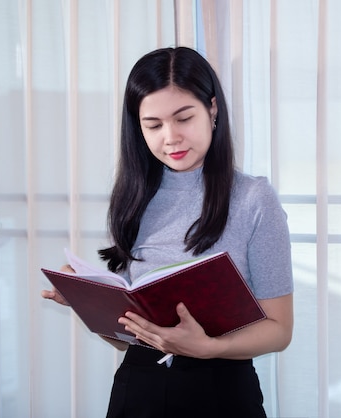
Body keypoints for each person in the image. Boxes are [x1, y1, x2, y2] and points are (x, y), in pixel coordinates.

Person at [41, 46, 294, 417]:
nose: (171, 137)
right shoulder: (133, 198)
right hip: (137, 389)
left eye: (183, 118)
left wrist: (208, 347)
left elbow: (279, 331)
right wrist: (90, 303)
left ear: (212, 109)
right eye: (154, 125)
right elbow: (125, 342)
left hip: (220, 390)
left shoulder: (254, 199)